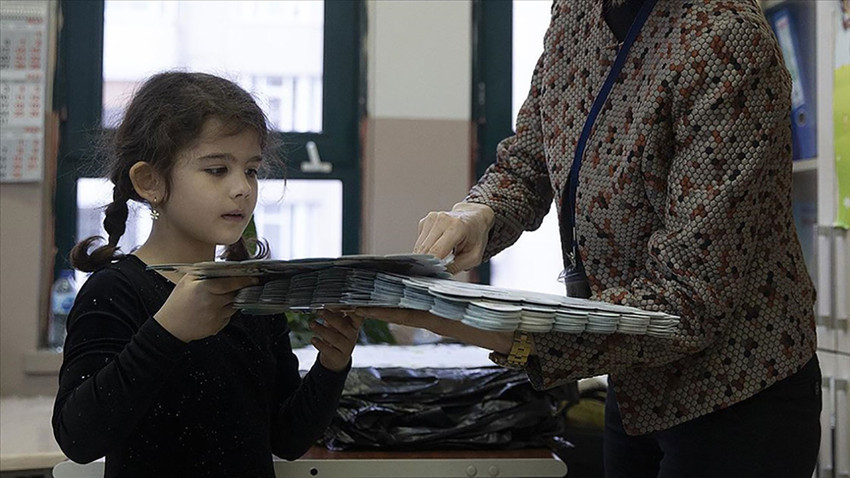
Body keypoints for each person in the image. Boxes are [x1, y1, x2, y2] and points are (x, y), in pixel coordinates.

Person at [355, 1, 822, 477]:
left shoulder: (725, 40)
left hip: (737, 388)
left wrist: (474, 322)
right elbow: (530, 157)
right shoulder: (576, 13)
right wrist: (479, 214)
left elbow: (689, 298)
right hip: (636, 377)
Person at [52, 71, 362, 478]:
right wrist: (167, 331)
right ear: (151, 181)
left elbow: (286, 439)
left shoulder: (252, 293)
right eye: (217, 170)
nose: (242, 189)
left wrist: (332, 365)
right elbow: (79, 438)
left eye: (251, 170)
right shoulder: (114, 291)